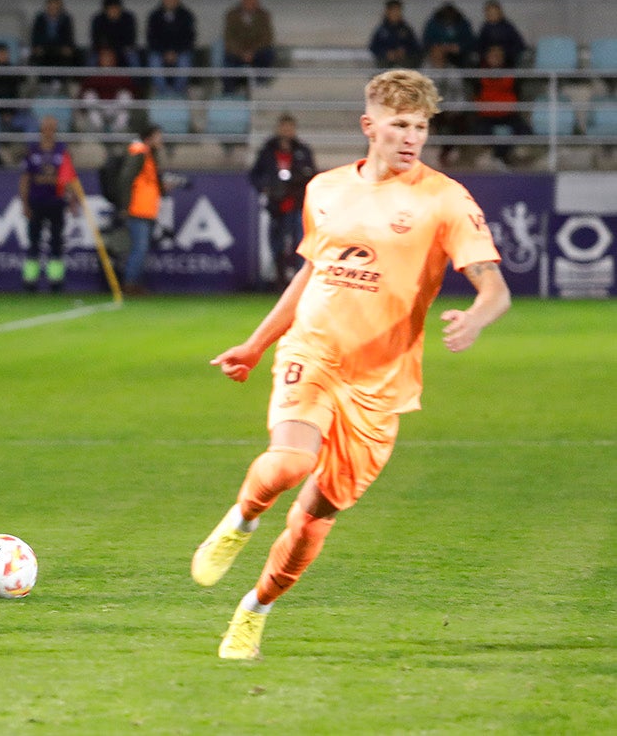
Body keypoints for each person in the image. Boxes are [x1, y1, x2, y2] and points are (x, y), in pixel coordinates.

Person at [192, 69, 511, 660]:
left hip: (381, 385)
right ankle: (241, 519)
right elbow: (312, 272)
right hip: (313, 351)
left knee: (314, 520)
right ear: (370, 127)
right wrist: (258, 342)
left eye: (419, 127)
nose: (410, 138)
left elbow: (494, 288)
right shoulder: (327, 189)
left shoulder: (444, 200)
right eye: (398, 126)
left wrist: (477, 317)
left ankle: (254, 610)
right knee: (290, 462)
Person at [249, 113, 316, 288]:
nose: (287, 131)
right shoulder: (268, 150)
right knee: (276, 245)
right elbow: (255, 175)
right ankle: (280, 282)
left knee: (299, 245)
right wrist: (266, 187)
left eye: (290, 127)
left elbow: (312, 175)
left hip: (296, 204)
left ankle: (299, 283)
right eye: (284, 127)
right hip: (276, 206)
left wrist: (297, 182)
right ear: (279, 128)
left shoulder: (302, 150)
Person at [18, 114, 82, 292]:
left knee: (56, 243)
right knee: (34, 242)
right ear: (41, 130)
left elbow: (69, 178)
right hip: (36, 202)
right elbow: (25, 179)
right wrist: (24, 203)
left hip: (56, 202)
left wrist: (73, 200)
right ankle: (30, 281)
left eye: (52, 128)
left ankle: (56, 281)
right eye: (46, 128)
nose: (49, 131)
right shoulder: (32, 151)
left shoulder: (62, 151)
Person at [115, 123, 163, 295]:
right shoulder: (139, 153)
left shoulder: (149, 155)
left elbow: (148, 183)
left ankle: (133, 284)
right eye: (158, 135)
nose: (161, 139)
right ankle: (129, 285)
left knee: (140, 249)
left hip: (147, 210)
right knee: (139, 248)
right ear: (149, 137)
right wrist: (125, 206)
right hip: (137, 210)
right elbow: (126, 179)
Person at [473, 44, 531, 167]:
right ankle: (498, 156)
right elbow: (476, 94)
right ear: (487, 57)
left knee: (523, 130)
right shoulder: (478, 73)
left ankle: (501, 157)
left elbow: (517, 94)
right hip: (487, 115)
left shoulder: (511, 74)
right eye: (493, 56)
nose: (496, 59)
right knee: (480, 130)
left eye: (499, 56)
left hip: (508, 114)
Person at [425, 43, 471, 166]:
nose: (438, 56)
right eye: (435, 52)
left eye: (441, 53)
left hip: (450, 109)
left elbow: (460, 95)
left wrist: (455, 110)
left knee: (459, 122)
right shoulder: (424, 71)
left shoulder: (453, 72)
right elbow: (420, 96)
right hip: (431, 110)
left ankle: (448, 154)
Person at [221, 0, 276, 94]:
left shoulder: (264, 15)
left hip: (257, 52)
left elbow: (267, 38)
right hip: (237, 53)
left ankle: (260, 89)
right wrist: (242, 53)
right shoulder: (232, 15)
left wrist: (252, 52)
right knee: (228, 59)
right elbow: (229, 38)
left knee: (268, 54)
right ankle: (229, 93)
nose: (251, 1)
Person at [145, 0, 197, 97]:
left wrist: (175, 52)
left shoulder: (187, 15)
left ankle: (178, 93)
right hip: (160, 52)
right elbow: (151, 38)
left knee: (185, 60)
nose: (170, 0)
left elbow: (189, 38)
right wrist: (165, 52)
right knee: (153, 59)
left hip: (180, 52)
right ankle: (163, 93)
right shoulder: (154, 16)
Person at [79, 46, 135, 134]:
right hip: (99, 106)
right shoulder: (93, 74)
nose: (107, 59)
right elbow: (83, 92)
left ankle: (116, 130)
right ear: (99, 58)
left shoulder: (121, 74)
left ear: (114, 59)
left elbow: (132, 92)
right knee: (89, 95)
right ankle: (99, 129)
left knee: (125, 95)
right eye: (104, 56)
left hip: (115, 106)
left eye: (109, 56)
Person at [28, 0, 80, 79]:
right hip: (44, 48)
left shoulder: (66, 19)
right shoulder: (40, 18)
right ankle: (42, 83)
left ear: (60, 5)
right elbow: (35, 36)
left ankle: (63, 83)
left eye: (56, 4)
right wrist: (36, 47)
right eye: (51, 3)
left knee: (70, 55)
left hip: (59, 49)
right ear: (47, 5)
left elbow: (69, 37)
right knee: (38, 55)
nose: (53, 6)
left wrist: (68, 47)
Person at [368, 0, 421, 69]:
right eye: (393, 11)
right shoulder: (381, 30)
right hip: (385, 63)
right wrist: (386, 53)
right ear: (387, 12)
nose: (396, 13)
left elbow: (416, 46)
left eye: (398, 10)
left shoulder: (406, 29)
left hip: (404, 63)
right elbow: (373, 47)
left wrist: (405, 51)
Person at [89, 0, 138, 66]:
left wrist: (118, 50)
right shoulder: (98, 20)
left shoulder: (128, 18)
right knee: (92, 60)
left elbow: (131, 39)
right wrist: (105, 50)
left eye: (116, 8)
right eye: (111, 8)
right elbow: (95, 39)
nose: (114, 11)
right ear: (105, 9)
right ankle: (88, 77)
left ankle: (137, 77)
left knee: (133, 58)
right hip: (104, 50)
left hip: (123, 50)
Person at [421, 1, 475, 68]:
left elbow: (470, 41)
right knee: (436, 54)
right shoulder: (433, 23)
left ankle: (457, 78)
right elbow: (426, 41)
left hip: (459, 55)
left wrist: (460, 47)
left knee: (470, 60)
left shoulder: (463, 23)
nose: (448, 20)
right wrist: (437, 46)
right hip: (437, 52)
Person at [475, 0, 524, 68]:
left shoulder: (508, 27)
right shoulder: (484, 28)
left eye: (494, 12)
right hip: (488, 59)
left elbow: (519, 44)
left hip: (506, 59)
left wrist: (503, 52)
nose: (492, 14)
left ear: (500, 12)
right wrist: (489, 52)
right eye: (489, 12)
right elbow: (479, 46)